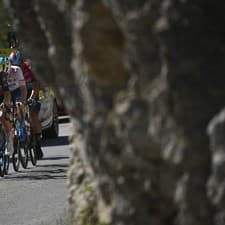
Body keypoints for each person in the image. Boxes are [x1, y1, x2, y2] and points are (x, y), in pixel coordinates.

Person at [21, 58, 44, 159]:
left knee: (33, 114)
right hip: (20, 92)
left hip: (32, 92)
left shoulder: (31, 69)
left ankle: (37, 143)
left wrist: (32, 98)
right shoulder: (11, 70)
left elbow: (36, 86)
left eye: (20, 65)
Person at [8, 50, 27, 143]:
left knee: (18, 104)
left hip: (17, 90)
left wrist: (22, 103)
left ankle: (21, 125)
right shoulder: (2, 72)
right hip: (6, 91)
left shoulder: (17, 70)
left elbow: (23, 88)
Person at [0, 56, 13, 156]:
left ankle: (9, 139)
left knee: (2, 116)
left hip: (3, 98)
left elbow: (7, 94)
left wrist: (5, 105)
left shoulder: (2, 77)